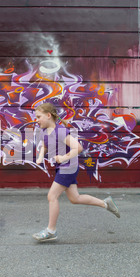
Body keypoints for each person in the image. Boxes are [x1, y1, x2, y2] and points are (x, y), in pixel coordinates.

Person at [32, 103, 120, 242]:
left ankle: (51, 231)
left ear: (49, 116)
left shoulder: (60, 131)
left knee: (52, 196)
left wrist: (63, 157)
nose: (36, 120)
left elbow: (78, 148)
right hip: (63, 167)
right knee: (75, 198)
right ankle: (105, 204)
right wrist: (40, 156)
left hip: (68, 167)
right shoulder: (45, 131)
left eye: (38, 117)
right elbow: (45, 144)